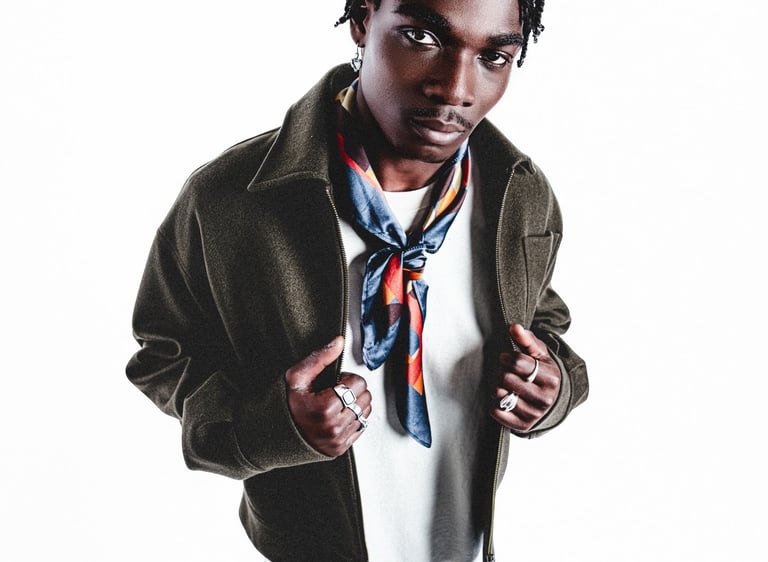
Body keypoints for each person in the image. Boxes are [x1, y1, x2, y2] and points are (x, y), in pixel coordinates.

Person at [126, 0, 588, 560]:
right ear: (364, 19)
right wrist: (273, 427)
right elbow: (165, 354)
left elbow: (543, 322)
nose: (455, 89)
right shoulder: (230, 198)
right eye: (421, 37)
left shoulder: (521, 194)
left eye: (494, 56)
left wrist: (552, 387)